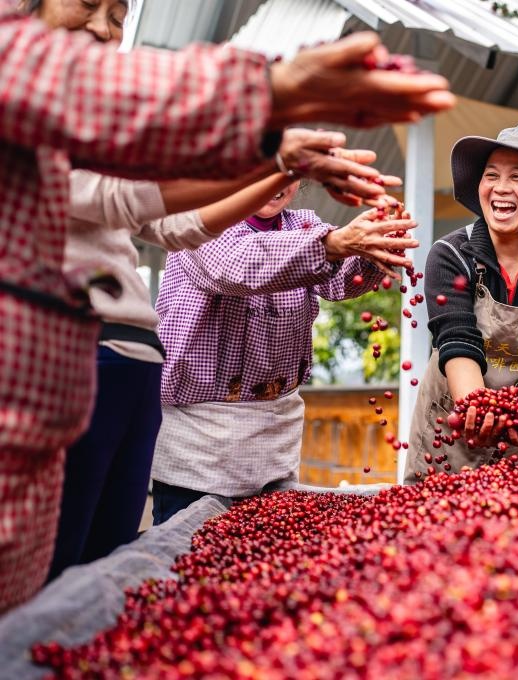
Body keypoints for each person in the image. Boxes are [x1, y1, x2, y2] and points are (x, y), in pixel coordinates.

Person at [0, 0, 453, 611]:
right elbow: (228, 262)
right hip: (149, 400)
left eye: (119, 13)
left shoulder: (300, 222)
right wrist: (270, 107)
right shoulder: (34, 78)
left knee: (107, 583)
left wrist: (364, 250)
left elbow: (171, 214)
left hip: (223, 408)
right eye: (89, 4)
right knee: (68, 583)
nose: (106, 29)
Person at [150, 184, 417, 523]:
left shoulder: (303, 226)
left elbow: (340, 282)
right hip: (200, 445)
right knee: (188, 549)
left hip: (272, 439)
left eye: (289, 174)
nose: (277, 184)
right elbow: (239, 265)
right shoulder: (200, 221)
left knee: (261, 552)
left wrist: (374, 250)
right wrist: (332, 246)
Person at [404, 123, 518, 483]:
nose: (501, 188)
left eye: (517, 177)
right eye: (491, 175)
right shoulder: (449, 255)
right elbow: (456, 341)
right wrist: (476, 408)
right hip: (449, 428)